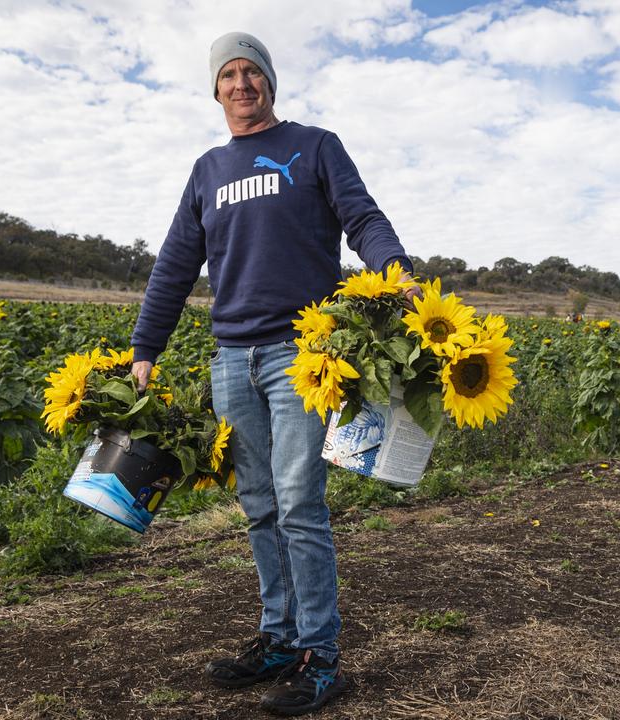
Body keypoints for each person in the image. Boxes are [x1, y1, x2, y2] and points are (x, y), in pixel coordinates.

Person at [129, 31, 417, 717]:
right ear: (216, 89)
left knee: (298, 501)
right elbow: (175, 263)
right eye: (227, 74)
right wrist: (146, 345)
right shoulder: (207, 171)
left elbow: (363, 219)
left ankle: (322, 656)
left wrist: (394, 271)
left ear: (270, 82)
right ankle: (281, 637)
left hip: (302, 355)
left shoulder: (315, 146)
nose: (239, 84)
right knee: (258, 504)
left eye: (250, 71)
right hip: (232, 357)